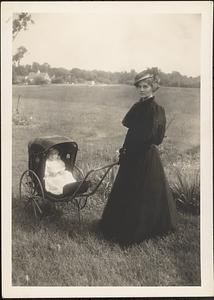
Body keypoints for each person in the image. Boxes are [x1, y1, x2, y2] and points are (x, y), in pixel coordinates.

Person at [99, 70, 177, 245]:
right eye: (139, 87)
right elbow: (131, 131)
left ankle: (141, 229)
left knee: (143, 192)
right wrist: (125, 149)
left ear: (153, 88)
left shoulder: (157, 110)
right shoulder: (136, 107)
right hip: (131, 153)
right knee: (126, 190)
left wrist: (135, 148)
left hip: (145, 157)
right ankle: (119, 225)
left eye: (145, 86)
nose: (142, 90)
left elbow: (155, 139)